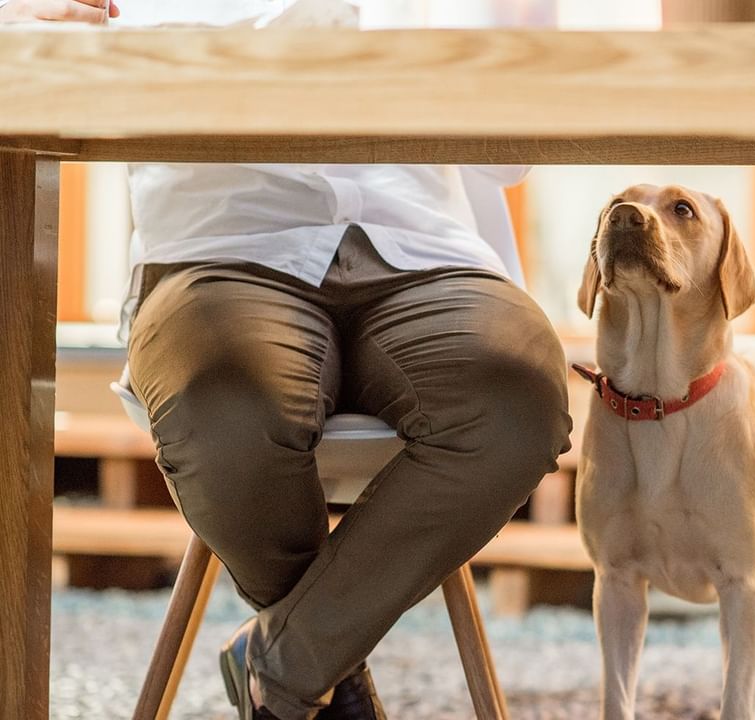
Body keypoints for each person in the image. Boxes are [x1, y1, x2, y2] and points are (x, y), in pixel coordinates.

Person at [12, 5, 572, 720]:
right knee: (226, 405)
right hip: (221, 241)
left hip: (422, 246)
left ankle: (284, 668)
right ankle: (323, 672)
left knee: (517, 396)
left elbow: (510, 149)